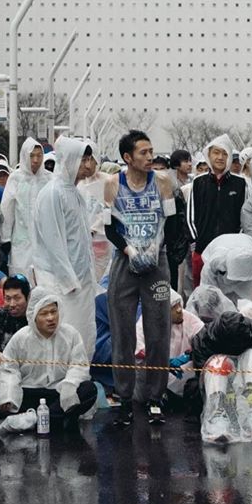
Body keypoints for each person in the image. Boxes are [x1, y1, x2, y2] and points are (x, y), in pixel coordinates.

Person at [104, 130, 177, 426]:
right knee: (122, 330)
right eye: (143, 153)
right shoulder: (112, 184)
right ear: (127, 157)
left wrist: (154, 249)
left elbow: (171, 223)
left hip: (156, 261)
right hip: (125, 259)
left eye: (151, 151)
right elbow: (109, 227)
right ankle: (124, 396)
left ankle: (155, 396)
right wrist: (131, 250)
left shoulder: (162, 182)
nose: (150, 157)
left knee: (158, 328)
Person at [0, 287, 98, 432]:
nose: (51, 318)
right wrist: (8, 395)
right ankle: (51, 419)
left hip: (59, 393)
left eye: (53, 312)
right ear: (33, 316)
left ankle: (35, 419)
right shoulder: (21, 337)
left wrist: (69, 386)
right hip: (29, 392)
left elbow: (79, 366)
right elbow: (9, 369)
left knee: (89, 389)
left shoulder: (70, 334)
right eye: (44, 313)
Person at [32, 137, 101, 357]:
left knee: (83, 335)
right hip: (61, 282)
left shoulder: (76, 192)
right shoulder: (53, 193)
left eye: (90, 160)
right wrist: (69, 281)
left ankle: (82, 381)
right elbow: (54, 243)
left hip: (81, 280)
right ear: (70, 160)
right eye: (83, 160)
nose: (88, 166)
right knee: (63, 336)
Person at [186, 311, 252, 442]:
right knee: (217, 361)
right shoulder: (202, 339)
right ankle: (218, 417)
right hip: (220, 385)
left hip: (247, 384)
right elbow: (202, 374)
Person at [188, 134, 246, 284]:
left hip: (231, 252)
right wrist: (196, 243)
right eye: (216, 152)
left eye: (225, 153)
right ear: (208, 155)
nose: (220, 157)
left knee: (231, 293)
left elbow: (245, 218)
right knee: (203, 295)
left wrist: (235, 245)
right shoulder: (198, 182)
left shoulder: (240, 184)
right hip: (202, 249)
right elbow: (190, 217)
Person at [1, 138, 47, 280]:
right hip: (21, 239)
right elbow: (7, 208)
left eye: (39, 156)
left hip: (44, 240)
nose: (35, 160)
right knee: (21, 277)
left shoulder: (48, 179)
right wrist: (6, 237)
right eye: (31, 155)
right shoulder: (16, 178)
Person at [0, 274, 32, 360]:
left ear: (28, 297)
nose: (12, 304)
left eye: (17, 298)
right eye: (8, 299)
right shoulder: (1, 314)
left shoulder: (34, 317)